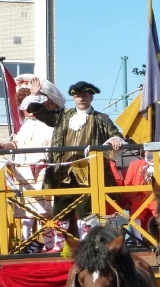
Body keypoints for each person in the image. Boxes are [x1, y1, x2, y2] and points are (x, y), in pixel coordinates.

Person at [27, 79, 124, 239]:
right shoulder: (63, 116)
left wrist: (114, 140)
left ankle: (86, 241)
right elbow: (40, 113)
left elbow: (117, 135)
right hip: (63, 171)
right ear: (73, 98)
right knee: (61, 209)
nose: (81, 99)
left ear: (91, 97)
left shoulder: (101, 118)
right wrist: (34, 95)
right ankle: (61, 245)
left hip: (89, 172)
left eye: (85, 95)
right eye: (78, 96)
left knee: (86, 210)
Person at [0, 76, 65, 251]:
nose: (28, 111)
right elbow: (16, 143)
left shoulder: (50, 124)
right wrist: (3, 146)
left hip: (46, 171)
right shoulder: (25, 126)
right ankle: (41, 244)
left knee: (53, 209)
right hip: (25, 173)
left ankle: (60, 245)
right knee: (35, 212)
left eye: (31, 106)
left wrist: (35, 94)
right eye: (25, 107)